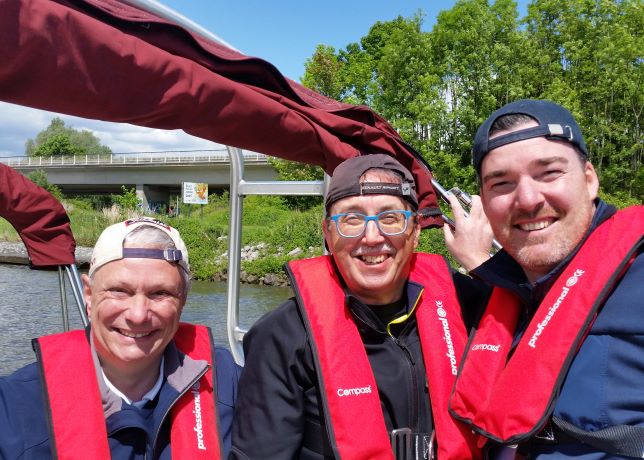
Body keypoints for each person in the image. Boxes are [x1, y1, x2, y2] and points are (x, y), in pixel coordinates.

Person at [230, 154, 489, 460]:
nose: (372, 237)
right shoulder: (282, 337)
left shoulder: (466, 304)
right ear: (328, 234)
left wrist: (482, 264)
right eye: (352, 220)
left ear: (415, 231)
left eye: (390, 218)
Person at [446, 99, 644, 458]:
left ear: (589, 180)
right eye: (502, 183)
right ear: (484, 203)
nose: (527, 199)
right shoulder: (489, 301)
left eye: (549, 173)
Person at [0, 217, 241, 459]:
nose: (138, 315)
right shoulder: (14, 408)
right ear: (89, 296)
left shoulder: (229, 385)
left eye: (160, 293)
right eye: (119, 291)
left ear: (183, 301)